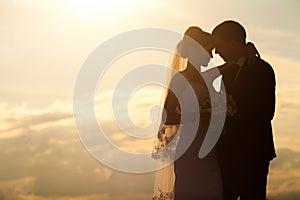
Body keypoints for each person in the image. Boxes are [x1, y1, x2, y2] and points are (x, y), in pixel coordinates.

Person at [152, 26, 259, 200]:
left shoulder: (208, 76)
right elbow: (168, 116)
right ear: (197, 50)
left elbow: (232, 63)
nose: (211, 56)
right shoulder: (180, 79)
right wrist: (198, 115)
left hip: (210, 152)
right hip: (189, 149)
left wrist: (247, 47)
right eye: (209, 50)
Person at [212, 20, 276, 200]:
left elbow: (267, 112)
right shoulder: (228, 72)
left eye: (219, 46)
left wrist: (232, 116)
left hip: (254, 153)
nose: (217, 52)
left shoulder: (262, 70)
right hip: (227, 154)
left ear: (232, 43)